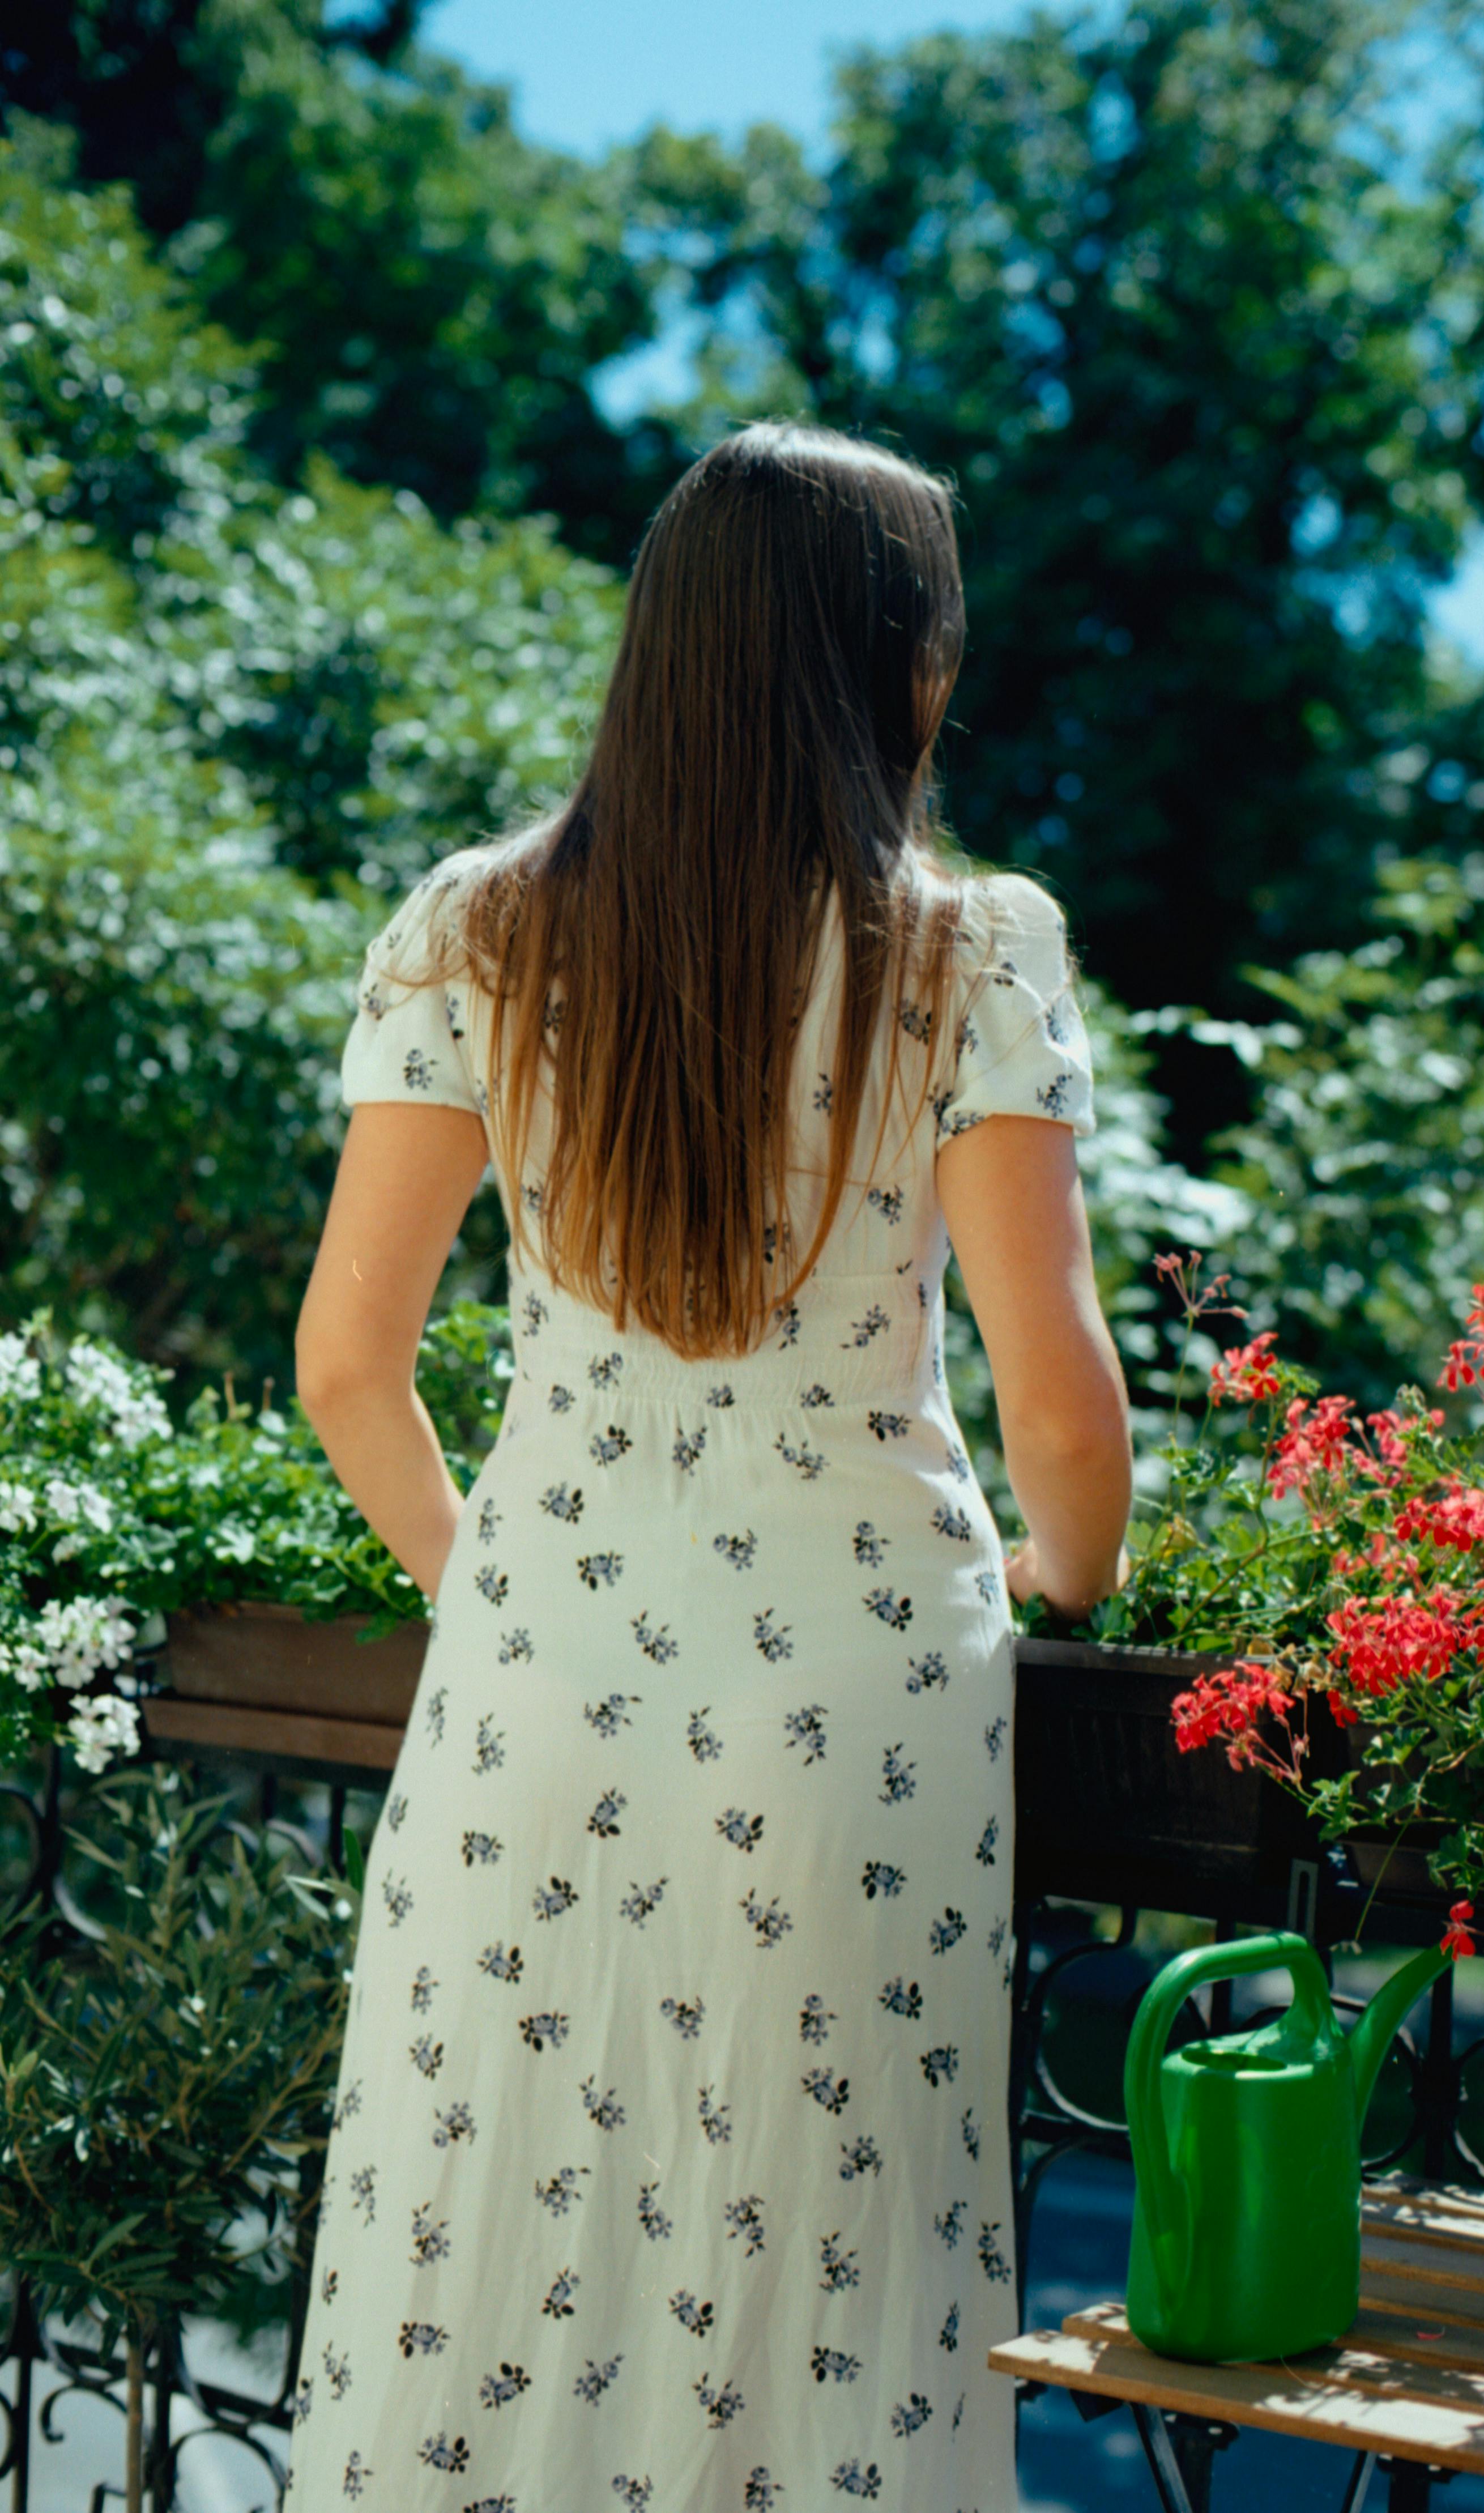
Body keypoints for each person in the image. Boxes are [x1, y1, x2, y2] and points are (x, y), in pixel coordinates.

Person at [285, 419, 1131, 2513]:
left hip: (531, 1705)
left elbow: (344, 1368)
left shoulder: (474, 927)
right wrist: (1073, 1589)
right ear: (890, 658)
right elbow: (1060, 1405)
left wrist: (492, 1584)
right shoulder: (966, 949)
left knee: (479, 2273)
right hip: (853, 1724)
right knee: (833, 2286)